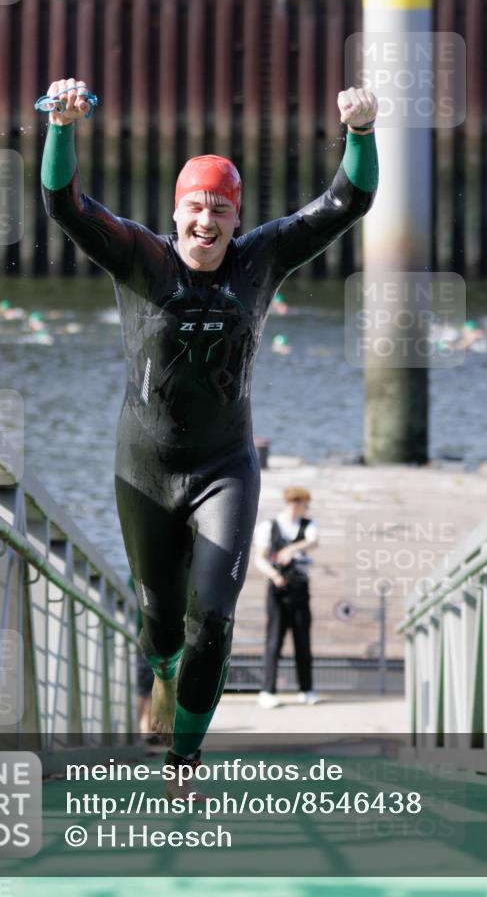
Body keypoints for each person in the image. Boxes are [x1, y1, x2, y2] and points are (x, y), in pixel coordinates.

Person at [40, 76, 378, 796]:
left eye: (220, 208)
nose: (206, 219)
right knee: (161, 625)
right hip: (144, 466)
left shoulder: (261, 258)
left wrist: (360, 133)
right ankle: (159, 680)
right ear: (175, 212)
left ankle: (183, 765)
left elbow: (347, 202)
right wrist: (62, 129)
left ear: (235, 217)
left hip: (225, 465)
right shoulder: (139, 257)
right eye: (194, 206)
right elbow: (62, 204)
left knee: (214, 620)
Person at [254, 486, 320, 708]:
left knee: (303, 641)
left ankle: (306, 689)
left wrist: (291, 549)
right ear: (295, 504)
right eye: (302, 505)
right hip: (278, 590)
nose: (304, 509)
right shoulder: (269, 526)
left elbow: (313, 541)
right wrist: (274, 575)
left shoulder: (307, 526)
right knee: (274, 641)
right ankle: (268, 690)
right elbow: (259, 558)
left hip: (300, 589)